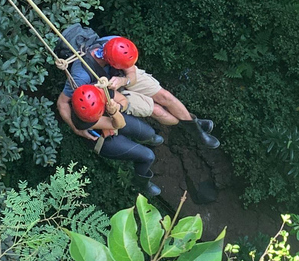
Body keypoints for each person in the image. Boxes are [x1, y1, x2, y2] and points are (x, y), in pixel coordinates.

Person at [57, 35, 220, 149]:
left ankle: (196, 130)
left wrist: (124, 80)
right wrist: (76, 128)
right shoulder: (81, 76)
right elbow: (62, 102)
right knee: (157, 110)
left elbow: (131, 73)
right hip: (109, 93)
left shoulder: (113, 43)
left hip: (121, 78)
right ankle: (189, 125)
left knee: (165, 96)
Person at [59, 83, 165, 196]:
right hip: (104, 139)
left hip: (113, 118)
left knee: (149, 133)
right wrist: (114, 112)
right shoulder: (82, 119)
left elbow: (123, 100)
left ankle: (148, 138)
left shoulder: (100, 91)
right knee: (148, 156)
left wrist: (117, 107)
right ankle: (142, 183)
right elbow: (118, 124)